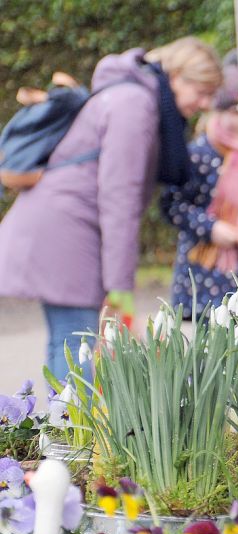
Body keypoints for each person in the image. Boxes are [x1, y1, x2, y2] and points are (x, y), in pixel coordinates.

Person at [0, 37, 222, 380]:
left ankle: (68, 428)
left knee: (68, 339)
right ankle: (77, 432)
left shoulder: (134, 96)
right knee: (78, 341)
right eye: (202, 91)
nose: (205, 104)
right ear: (177, 76)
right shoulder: (135, 105)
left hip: (60, 226)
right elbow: (120, 198)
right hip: (66, 230)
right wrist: (121, 289)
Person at [160, 57, 238, 318]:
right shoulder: (197, 154)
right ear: (217, 111)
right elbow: (173, 204)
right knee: (208, 351)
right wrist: (211, 228)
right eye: (235, 112)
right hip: (201, 274)